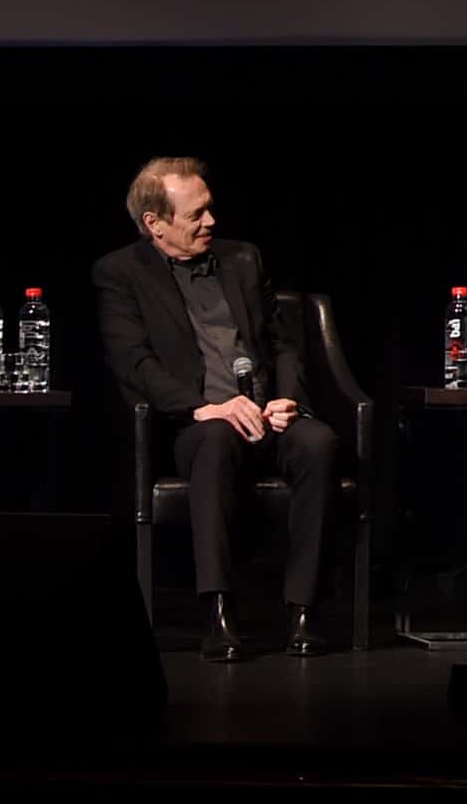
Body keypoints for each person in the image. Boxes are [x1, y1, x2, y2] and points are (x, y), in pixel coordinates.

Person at [92, 156, 341, 661]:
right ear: (155, 224)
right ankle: (219, 614)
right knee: (214, 441)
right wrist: (204, 408)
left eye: (210, 210)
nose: (211, 222)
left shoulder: (243, 259)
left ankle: (302, 613)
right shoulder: (119, 273)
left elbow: (281, 341)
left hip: (266, 412)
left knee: (320, 443)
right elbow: (134, 363)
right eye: (196, 215)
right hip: (199, 422)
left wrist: (287, 399)